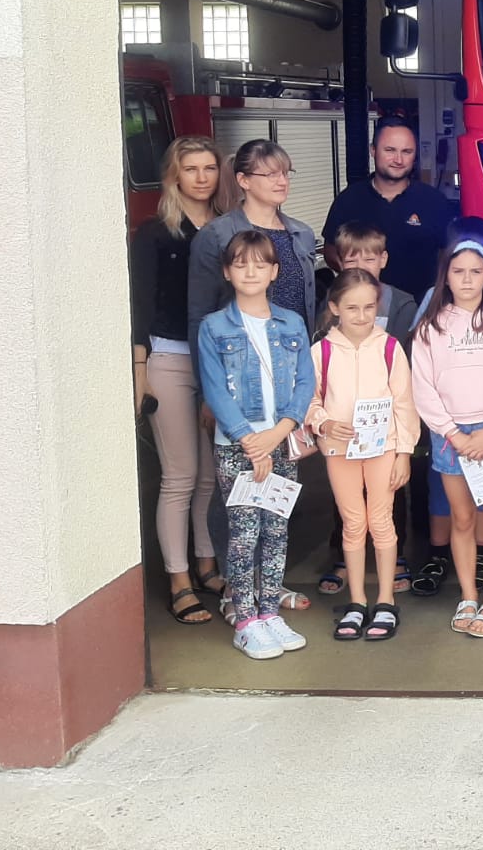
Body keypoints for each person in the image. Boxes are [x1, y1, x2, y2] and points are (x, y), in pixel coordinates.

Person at [196, 230, 316, 661]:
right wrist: (251, 443)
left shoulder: (291, 323)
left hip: (280, 441)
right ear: (227, 272)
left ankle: (269, 613)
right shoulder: (214, 327)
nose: (251, 271)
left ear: (274, 272)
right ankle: (245, 620)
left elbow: (305, 381)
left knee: (277, 529)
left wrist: (280, 431)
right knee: (245, 534)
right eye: (241, 264)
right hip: (238, 446)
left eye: (260, 264)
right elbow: (215, 390)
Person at [130, 135, 233, 624]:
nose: (201, 177)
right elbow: (140, 303)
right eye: (191, 169)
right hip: (169, 359)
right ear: (174, 176)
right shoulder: (154, 234)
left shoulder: (228, 230)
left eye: (209, 168)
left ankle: (207, 564)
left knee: (211, 476)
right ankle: (178, 580)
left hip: (218, 362)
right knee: (180, 476)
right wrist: (139, 371)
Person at [410, 240, 483, 639]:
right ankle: (467, 595)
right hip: (450, 437)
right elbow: (423, 388)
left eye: (476, 271)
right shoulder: (430, 327)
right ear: (445, 276)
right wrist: (453, 434)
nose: (467, 279)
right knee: (461, 519)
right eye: (458, 271)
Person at [308, 269, 419, 642]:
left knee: (381, 521)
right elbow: (309, 399)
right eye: (352, 307)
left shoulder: (389, 348)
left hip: (382, 447)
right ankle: (356, 601)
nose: (361, 315)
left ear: (378, 307)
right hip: (340, 450)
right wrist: (324, 422)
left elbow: (404, 404)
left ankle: (385, 600)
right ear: (335, 307)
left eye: (369, 307)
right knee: (353, 523)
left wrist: (404, 452)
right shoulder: (321, 350)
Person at [189, 139, 320, 343]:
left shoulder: (303, 234)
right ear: (244, 180)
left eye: (285, 173)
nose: (283, 182)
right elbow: (200, 313)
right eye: (271, 174)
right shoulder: (216, 235)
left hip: (296, 350)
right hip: (240, 354)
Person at [322, 116, 454, 303]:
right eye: (390, 150)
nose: (398, 159)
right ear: (373, 150)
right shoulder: (348, 200)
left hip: (423, 310)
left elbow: (449, 254)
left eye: (406, 151)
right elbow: (330, 251)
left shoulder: (434, 201)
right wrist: (358, 275)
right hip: (364, 308)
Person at [326, 223, 419, 336]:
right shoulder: (332, 299)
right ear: (341, 263)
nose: (360, 267)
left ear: (383, 259)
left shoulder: (402, 305)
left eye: (369, 259)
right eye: (351, 261)